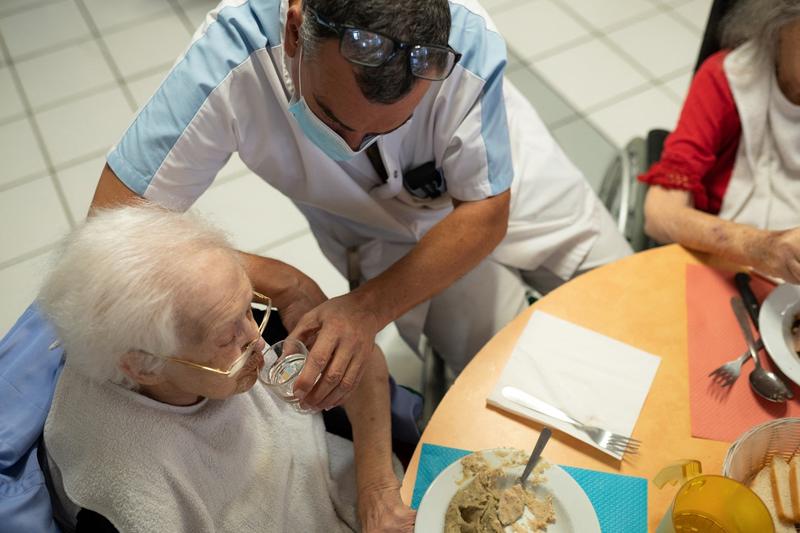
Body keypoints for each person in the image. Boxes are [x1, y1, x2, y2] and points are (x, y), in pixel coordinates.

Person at [91, 0, 631, 410]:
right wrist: (281, 281)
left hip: (506, 186)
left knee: (628, 308)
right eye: (333, 117)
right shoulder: (230, 55)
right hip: (371, 225)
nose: (355, 146)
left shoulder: (468, 42)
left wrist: (367, 308)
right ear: (297, 29)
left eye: (392, 126)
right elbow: (113, 233)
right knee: (506, 373)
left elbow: (485, 211)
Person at [38, 205, 414, 532]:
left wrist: (375, 488)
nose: (258, 341)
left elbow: (363, 361)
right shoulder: (122, 495)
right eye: (225, 337)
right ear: (143, 367)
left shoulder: (224, 315)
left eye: (249, 308)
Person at [640, 0, 800, 282]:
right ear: (779, 24)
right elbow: (659, 212)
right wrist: (762, 248)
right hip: (724, 267)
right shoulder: (727, 79)